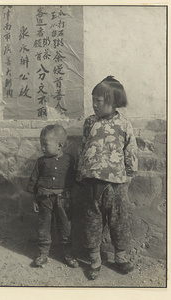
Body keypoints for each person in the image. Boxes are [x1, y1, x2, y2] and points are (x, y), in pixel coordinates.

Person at [77, 76, 138, 280]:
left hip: (116, 183)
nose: (94, 104)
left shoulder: (124, 124)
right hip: (91, 180)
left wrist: (129, 173)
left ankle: (120, 257)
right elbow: (83, 147)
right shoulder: (90, 122)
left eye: (99, 100)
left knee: (118, 221)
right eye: (93, 99)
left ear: (113, 101)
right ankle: (94, 260)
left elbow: (130, 149)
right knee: (92, 221)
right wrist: (80, 172)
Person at [27, 124, 79, 268]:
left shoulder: (69, 160)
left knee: (65, 226)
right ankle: (43, 254)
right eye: (41, 144)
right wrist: (34, 200)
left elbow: (75, 178)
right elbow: (34, 181)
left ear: (60, 145)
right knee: (44, 226)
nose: (42, 147)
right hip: (45, 200)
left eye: (45, 144)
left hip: (64, 200)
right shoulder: (41, 162)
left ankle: (68, 254)